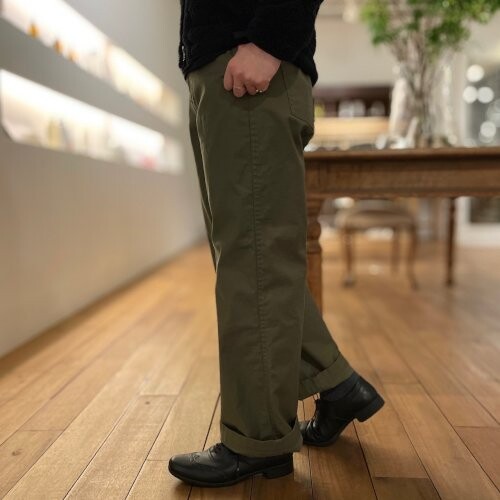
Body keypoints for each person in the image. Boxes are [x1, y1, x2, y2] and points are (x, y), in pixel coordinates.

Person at [168, 0, 385, 488]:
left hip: (249, 67)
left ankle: (257, 440)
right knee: (251, 258)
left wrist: (271, 40)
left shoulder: (259, 52)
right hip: (218, 70)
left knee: (254, 262)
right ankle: (337, 384)